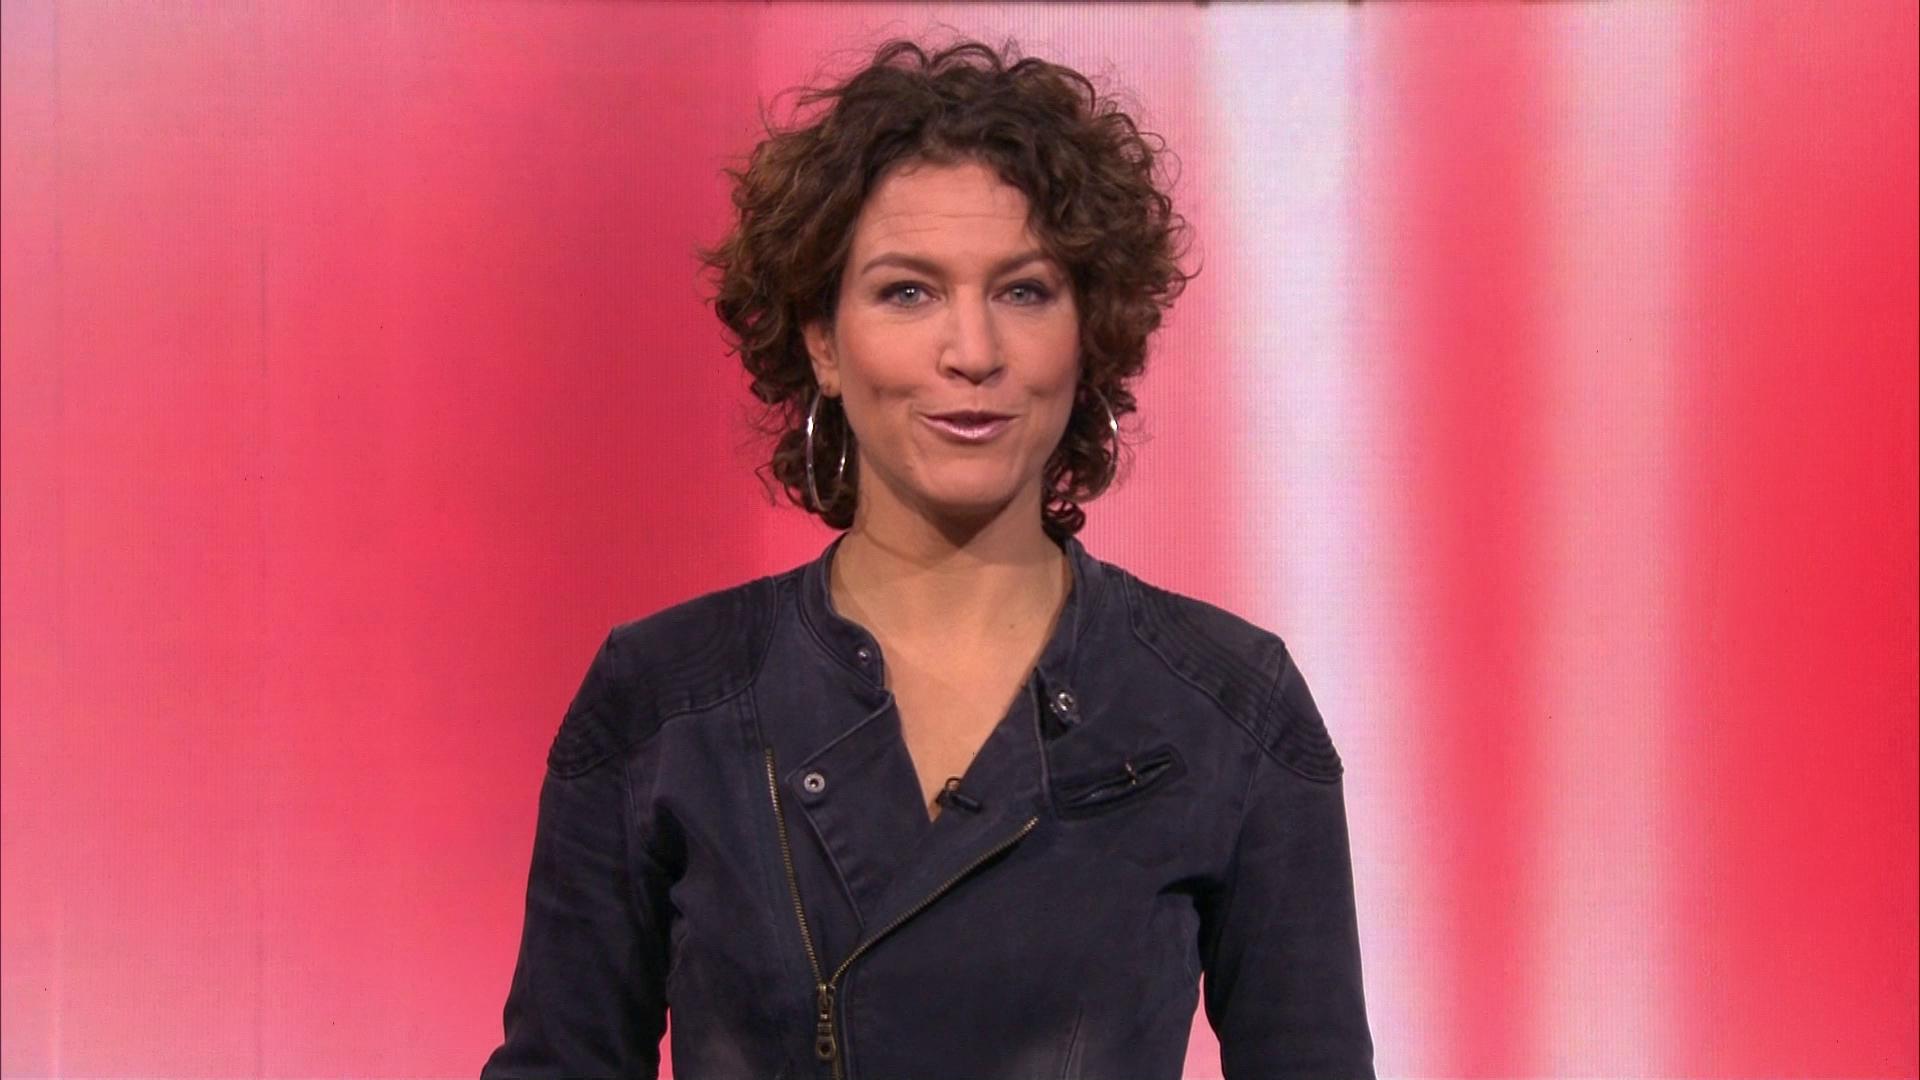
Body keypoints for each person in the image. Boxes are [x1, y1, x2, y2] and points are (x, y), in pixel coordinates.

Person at [481, 36, 1374, 1080]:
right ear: (822, 340)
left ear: (1090, 331)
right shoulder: (665, 700)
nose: (973, 352)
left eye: (1024, 292)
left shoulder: (1228, 704)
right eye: (908, 292)